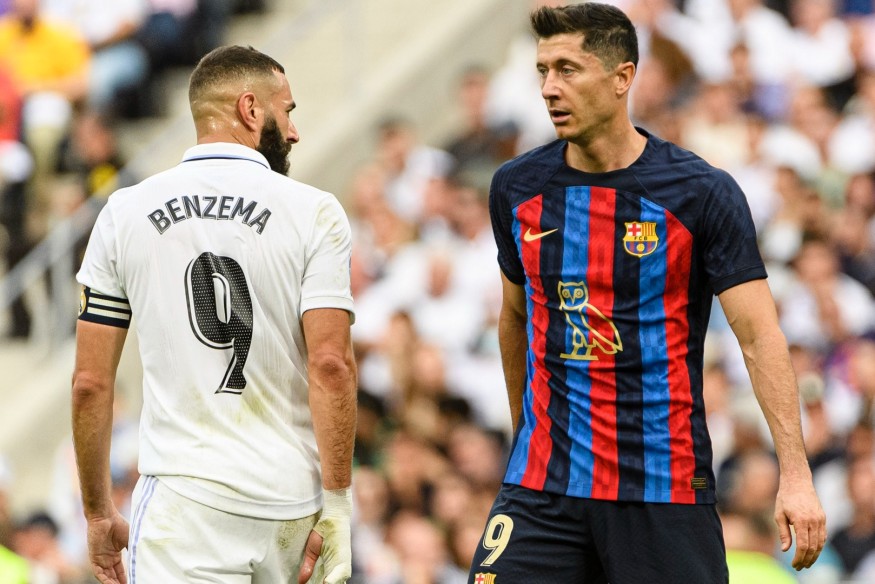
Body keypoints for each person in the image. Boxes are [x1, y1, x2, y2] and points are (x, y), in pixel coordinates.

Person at [468, 4, 826, 583]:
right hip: (544, 487)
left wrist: (797, 474)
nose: (549, 88)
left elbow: (760, 337)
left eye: (567, 69)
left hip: (662, 487)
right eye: (543, 71)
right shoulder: (516, 186)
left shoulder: (699, 193)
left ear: (622, 78)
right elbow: (514, 318)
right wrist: (523, 444)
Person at [72, 45, 357, 584]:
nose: (294, 132)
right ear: (250, 109)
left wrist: (97, 512)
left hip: (186, 505)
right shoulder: (315, 211)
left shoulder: (123, 212)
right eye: (287, 111)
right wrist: (339, 502)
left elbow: (90, 383)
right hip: (291, 502)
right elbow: (331, 364)